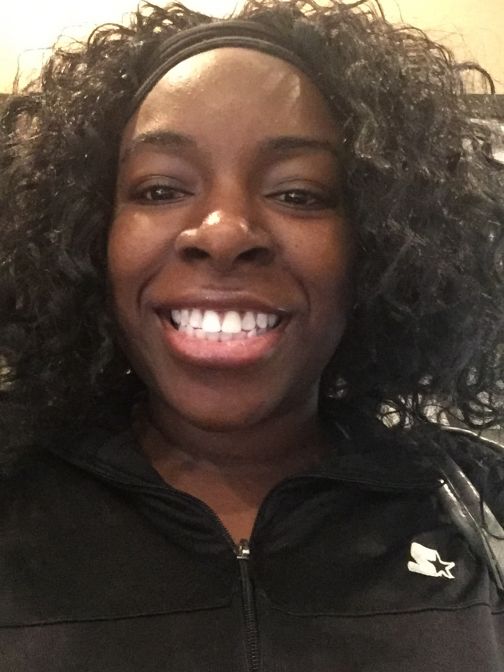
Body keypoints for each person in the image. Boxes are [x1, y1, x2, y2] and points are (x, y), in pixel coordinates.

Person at [0, 0, 503, 669]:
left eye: (298, 193)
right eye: (159, 190)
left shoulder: (479, 503)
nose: (224, 233)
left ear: (379, 246)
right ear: (92, 238)